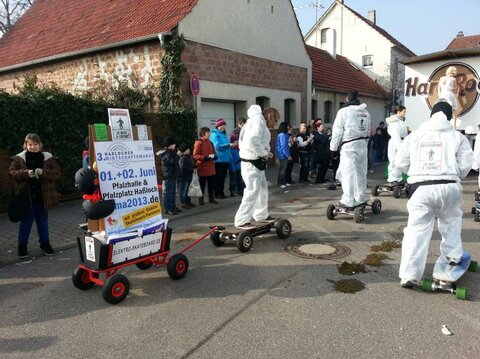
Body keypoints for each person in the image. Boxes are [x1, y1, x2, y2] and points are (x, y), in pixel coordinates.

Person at [390, 101, 473, 288]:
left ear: (431, 115)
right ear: (450, 117)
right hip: (448, 185)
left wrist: (414, 170)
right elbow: (466, 165)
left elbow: (400, 162)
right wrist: (453, 173)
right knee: (451, 222)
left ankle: (409, 275)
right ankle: (452, 258)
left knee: (416, 230)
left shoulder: (415, 136)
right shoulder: (456, 137)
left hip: (420, 187)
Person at [9, 133, 61, 258]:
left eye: (35, 144)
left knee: (43, 223)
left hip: (43, 199)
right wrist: (26, 173)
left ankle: (45, 244)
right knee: (26, 223)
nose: (33, 147)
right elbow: (12, 173)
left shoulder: (48, 158)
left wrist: (43, 172)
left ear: (40, 145)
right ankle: (22, 247)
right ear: (26, 145)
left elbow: (57, 173)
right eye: (30, 144)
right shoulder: (19, 158)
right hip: (27, 199)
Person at [234, 105, 278, 229]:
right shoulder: (258, 122)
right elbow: (252, 140)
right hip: (252, 162)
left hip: (253, 161)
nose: (274, 124)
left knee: (262, 190)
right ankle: (242, 220)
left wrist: (264, 152)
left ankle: (261, 214)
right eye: (274, 120)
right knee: (252, 192)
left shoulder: (252, 121)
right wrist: (264, 153)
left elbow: (251, 141)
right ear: (270, 116)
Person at [330, 90, 371, 207]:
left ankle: (348, 199)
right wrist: (365, 144)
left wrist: (333, 148)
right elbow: (368, 130)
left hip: (349, 144)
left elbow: (337, 130)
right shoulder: (366, 112)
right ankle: (361, 196)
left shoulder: (344, 111)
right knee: (361, 172)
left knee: (347, 172)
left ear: (347, 99)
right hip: (362, 143)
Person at [193, 127, 217, 205]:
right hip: (202, 167)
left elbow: (214, 152)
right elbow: (195, 155)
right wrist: (204, 158)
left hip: (211, 168)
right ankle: (201, 199)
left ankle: (211, 198)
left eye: (209, 132)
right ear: (203, 133)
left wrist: (215, 156)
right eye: (207, 132)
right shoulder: (198, 143)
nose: (209, 134)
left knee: (211, 185)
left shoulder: (210, 142)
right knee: (202, 185)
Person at [210, 119, 233, 199]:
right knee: (218, 178)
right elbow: (217, 146)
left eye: (224, 125)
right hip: (219, 160)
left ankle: (221, 192)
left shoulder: (223, 134)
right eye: (222, 125)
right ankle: (217, 193)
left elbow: (227, 147)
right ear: (218, 126)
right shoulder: (214, 134)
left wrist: (230, 156)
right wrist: (228, 144)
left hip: (225, 160)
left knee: (223, 178)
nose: (224, 127)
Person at [386, 105, 408, 183]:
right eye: (404, 112)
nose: (405, 113)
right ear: (398, 112)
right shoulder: (394, 122)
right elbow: (396, 135)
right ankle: (393, 178)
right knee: (394, 160)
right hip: (396, 143)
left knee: (399, 160)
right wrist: (400, 146)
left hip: (400, 142)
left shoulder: (400, 121)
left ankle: (398, 178)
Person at [159, 136, 181, 215]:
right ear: (169, 145)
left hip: (172, 175)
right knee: (169, 193)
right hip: (169, 176)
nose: (175, 145)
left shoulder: (171, 152)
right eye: (173, 144)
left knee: (173, 193)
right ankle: (169, 209)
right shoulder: (167, 153)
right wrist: (178, 155)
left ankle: (173, 206)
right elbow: (172, 162)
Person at [229, 117, 247, 197]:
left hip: (241, 154)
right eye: (243, 124)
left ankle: (241, 190)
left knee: (241, 175)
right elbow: (234, 145)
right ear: (240, 124)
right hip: (235, 155)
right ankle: (234, 190)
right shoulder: (235, 133)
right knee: (235, 175)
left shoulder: (245, 131)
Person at [178, 143, 196, 209]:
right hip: (184, 177)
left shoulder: (189, 156)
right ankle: (183, 203)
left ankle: (188, 201)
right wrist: (191, 169)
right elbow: (183, 167)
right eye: (187, 149)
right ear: (184, 151)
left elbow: (190, 164)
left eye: (188, 149)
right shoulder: (182, 158)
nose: (189, 150)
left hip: (188, 176)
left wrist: (194, 166)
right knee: (184, 190)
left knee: (188, 190)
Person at [276, 122, 291, 188]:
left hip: (283, 154)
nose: (288, 127)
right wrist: (288, 155)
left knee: (283, 169)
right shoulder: (282, 135)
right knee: (282, 169)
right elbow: (283, 146)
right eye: (287, 126)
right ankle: (281, 182)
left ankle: (283, 181)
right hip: (282, 155)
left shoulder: (284, 134)